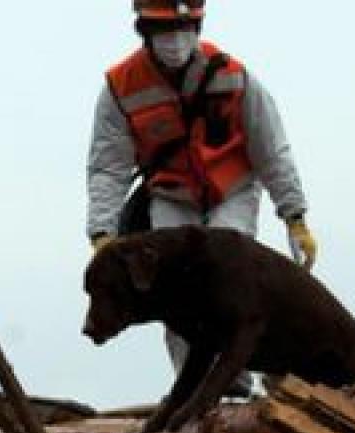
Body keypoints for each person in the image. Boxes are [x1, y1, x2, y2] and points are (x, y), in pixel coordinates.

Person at [86, 0, 313, 395]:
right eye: (166, 30)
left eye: (185, 27)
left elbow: (270, 149)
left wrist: (294, 216)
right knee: (173, 295)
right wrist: (102, 234)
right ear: (146, 32)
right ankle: (193, 390)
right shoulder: (121, 87)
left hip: (233, 191)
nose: (176, 39)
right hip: (171, 195)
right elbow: (108, 167)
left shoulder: (234, 76)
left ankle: (235, 387)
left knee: (225, 280)